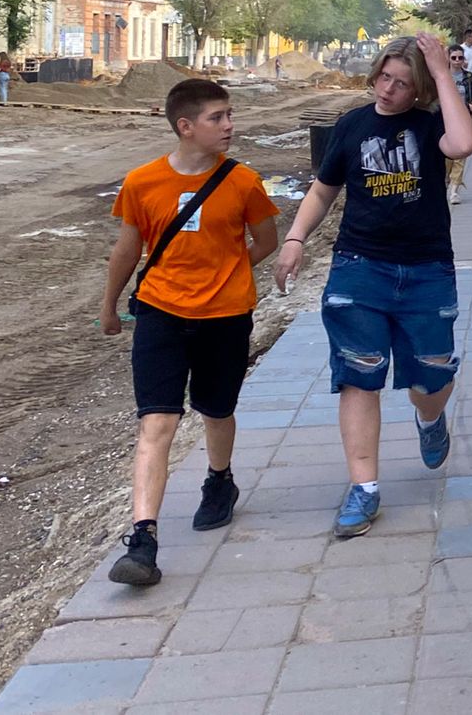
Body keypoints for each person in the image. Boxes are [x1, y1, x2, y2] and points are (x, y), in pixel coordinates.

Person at [273, 33, 472, 537]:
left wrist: (444, 73)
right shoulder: (352, 125)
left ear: (419, 90)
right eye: (384, 77)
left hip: (426, 268)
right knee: (358, 373)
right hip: (360, 266)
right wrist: (296, 238)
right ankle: (364, 488)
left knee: (431, 378)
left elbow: (464, 144)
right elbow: (323, 192)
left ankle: (430, 419)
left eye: (402, 83)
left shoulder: (432, 125)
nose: (387, 89)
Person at [99, 79, 281, 585]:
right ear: (186, 126)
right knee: (156, 421)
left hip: (225, 317)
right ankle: (143, 539)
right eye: (218, 117)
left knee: (216, 409)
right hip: (159, 313)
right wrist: (109, 306)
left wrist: (229, 274)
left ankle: (219, 481)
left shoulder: (243, 181)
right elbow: (128, 249)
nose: (229, 125)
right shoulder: (142, 182)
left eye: (229, 116)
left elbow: (265, 239)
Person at [446, 44, 472, 205]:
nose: (457, 61)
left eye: (460, 57)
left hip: (464, 119)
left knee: (460, 156)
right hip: (444, 120)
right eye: (454, 57)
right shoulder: (441, 77)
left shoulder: (469, 77)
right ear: (448, 58)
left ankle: (454, 190)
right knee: (446, 157)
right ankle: (447, 181)